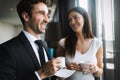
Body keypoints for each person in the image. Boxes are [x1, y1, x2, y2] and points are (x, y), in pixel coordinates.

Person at [0, 0, 61, 80]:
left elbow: (48, 75)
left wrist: (59, 75)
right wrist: (41, 73)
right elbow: (44, 73)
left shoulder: (44, 45)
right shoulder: (6, 50)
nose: (47, 20)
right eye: (41, 13)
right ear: (26, 16)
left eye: (47, 15)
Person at [57, 7, 103, 80]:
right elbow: (59, 75)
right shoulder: (63, 43)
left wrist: (96, 69)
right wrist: (68, 69)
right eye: (70, 20)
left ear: (85, 18)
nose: (72, 22)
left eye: (76, 18)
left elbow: (100, 71)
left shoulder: (97, 43)